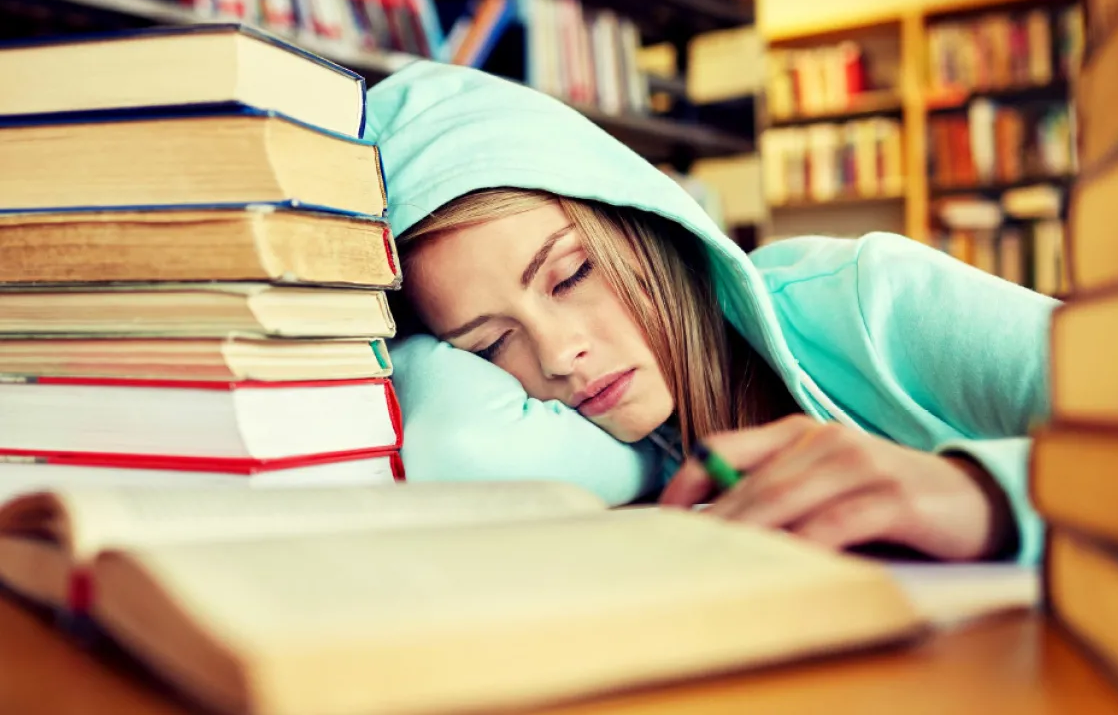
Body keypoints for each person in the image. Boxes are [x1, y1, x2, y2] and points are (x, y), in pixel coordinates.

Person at [365, 61, 1054, 564]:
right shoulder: (631, 431)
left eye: (571, 275)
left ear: (642, 222)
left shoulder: (869, 295)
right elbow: (456, 445)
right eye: (489, 345)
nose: (555, 356)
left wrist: (984, 494)